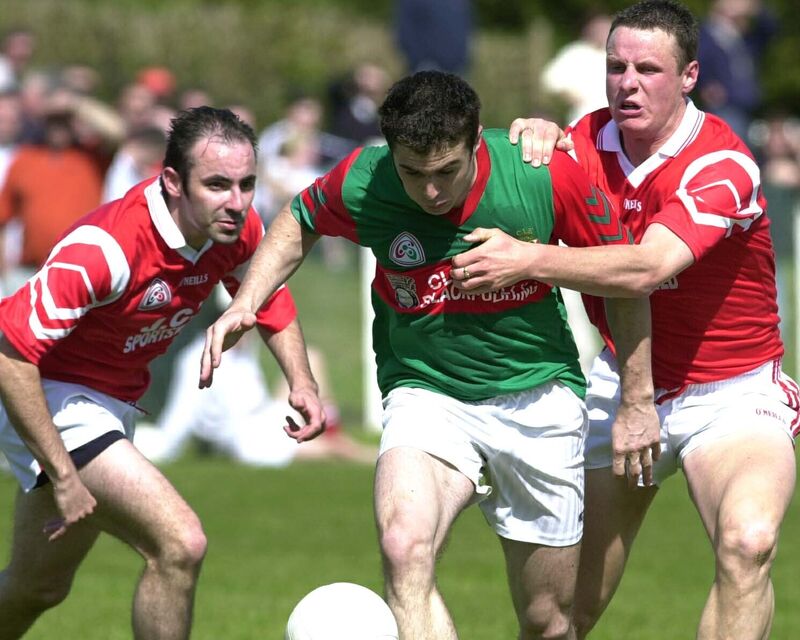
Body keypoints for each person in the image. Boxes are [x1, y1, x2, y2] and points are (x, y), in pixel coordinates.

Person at [201, 70, 657, 639]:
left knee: (548, 621)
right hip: (427, 393)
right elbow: (299, 219)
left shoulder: (540, 172)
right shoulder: (366, 179)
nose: (432, 191)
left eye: (447, 171)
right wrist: (248, 300)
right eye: (414, 174)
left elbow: (627, 277)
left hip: (538, 397)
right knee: (403, 545)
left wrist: (637, 399)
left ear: (476, 142)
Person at [454, 2, 799, 638]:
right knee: (556, 615)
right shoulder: (576, 148)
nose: (628, 83)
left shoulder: (723, 164)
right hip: (622, 385)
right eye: (616, 67)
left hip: (732, 396)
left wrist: (527, 260)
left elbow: (646, 268)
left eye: (648, 69)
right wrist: (519, 142)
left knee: (748, 544)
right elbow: (472, 187)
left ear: (690, 75)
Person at [0, 106, 325, 639]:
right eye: (218, 184)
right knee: (179, 543)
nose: (237, 202)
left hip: (109, 406)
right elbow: (10, 353)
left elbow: (266, 296)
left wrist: (302, 383)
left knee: (38, 587)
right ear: (172, 181)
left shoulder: (233, 230)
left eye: (247, 184)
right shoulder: (107, 248)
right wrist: (62, 473)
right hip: (49, 396)